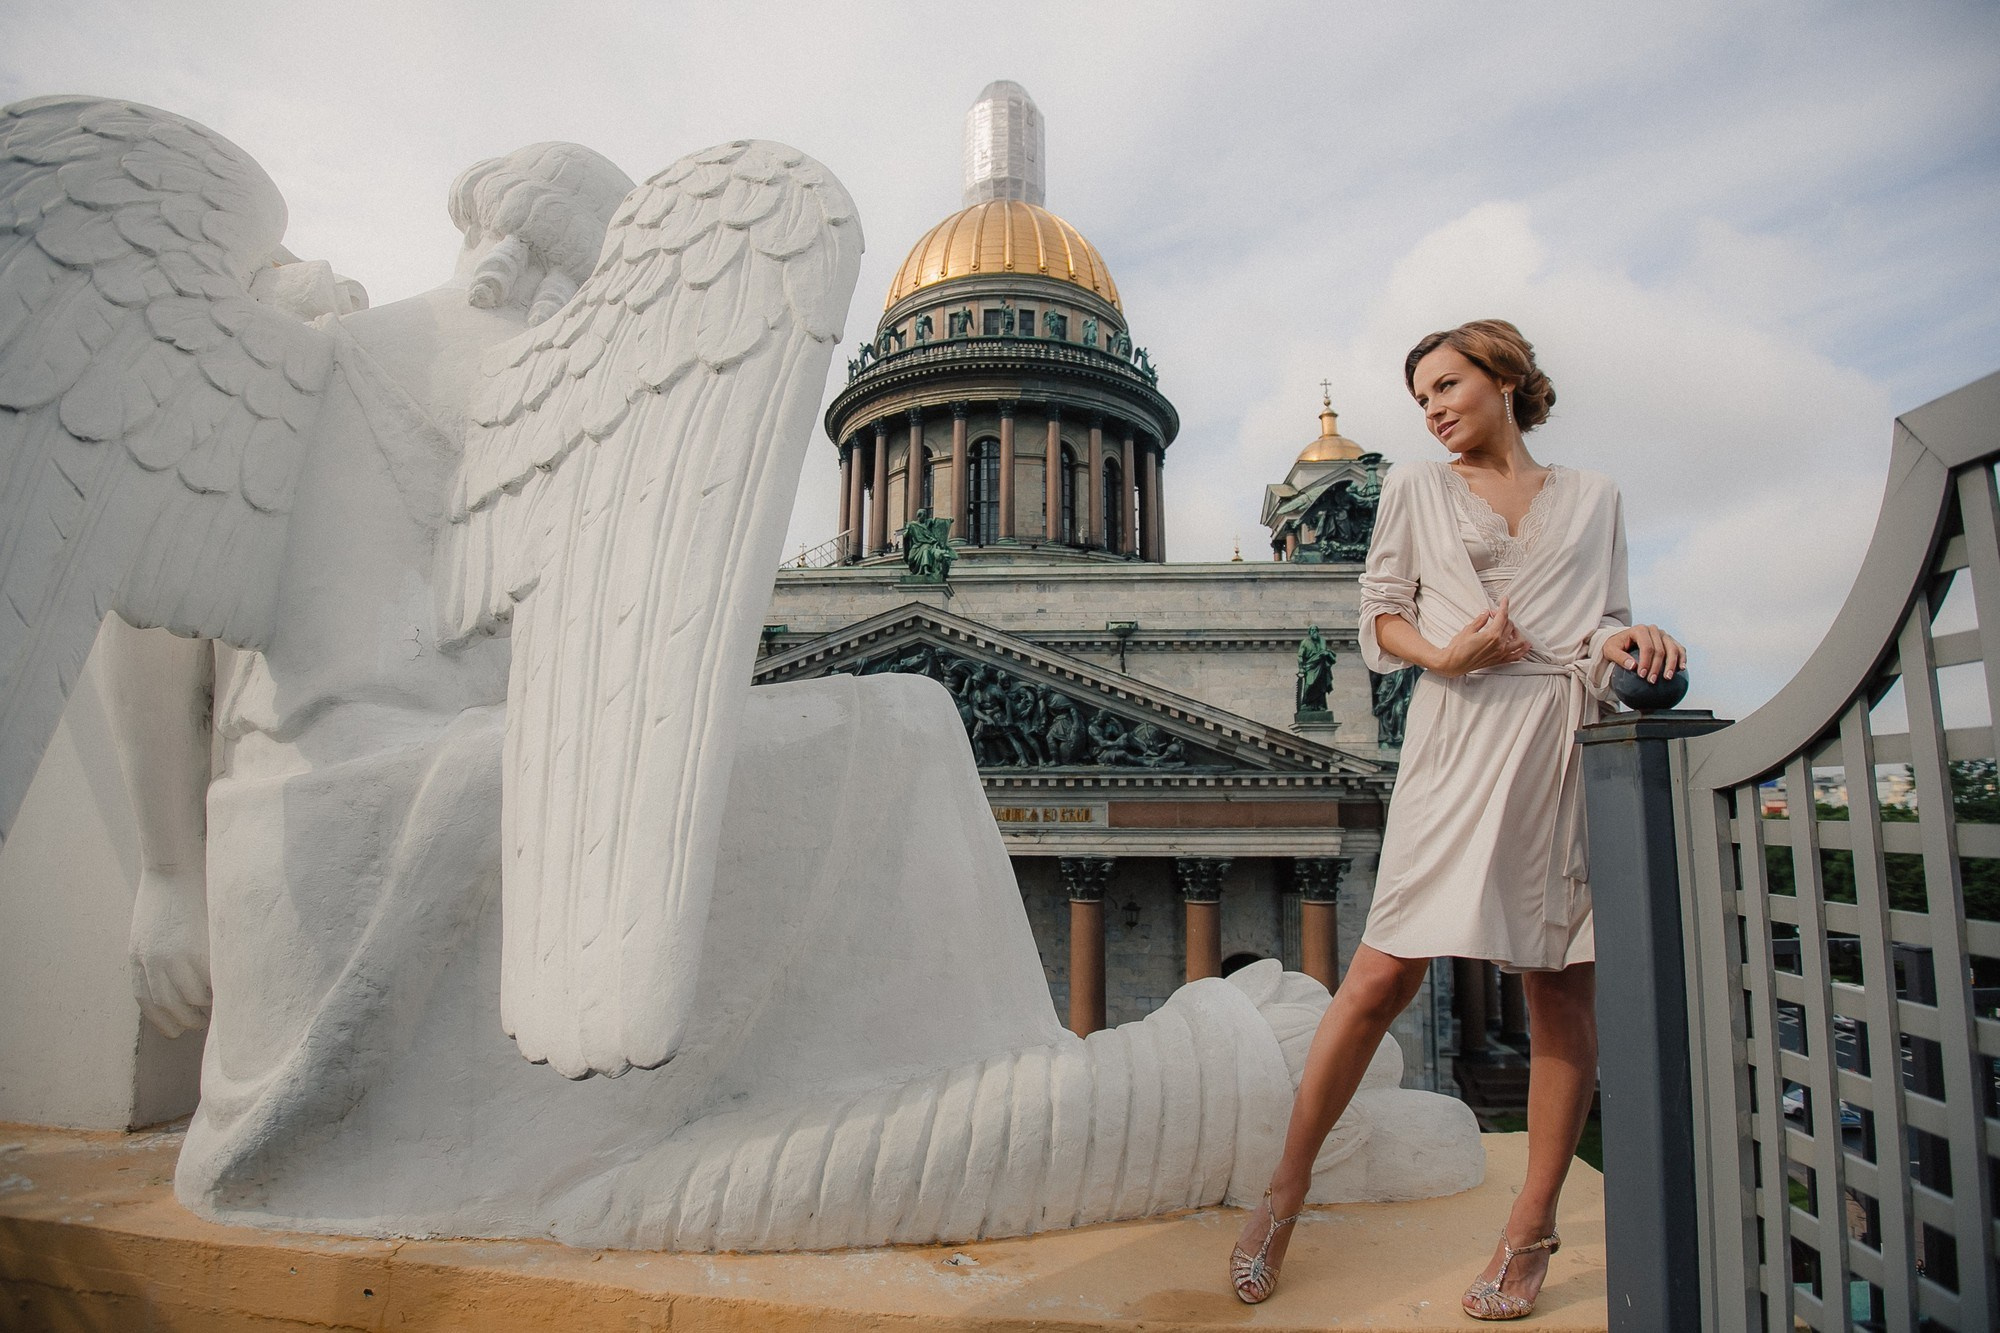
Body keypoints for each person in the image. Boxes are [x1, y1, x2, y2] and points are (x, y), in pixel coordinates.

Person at [1227, 320, 1684, 1320]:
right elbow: (1378, 613)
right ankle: (1282, 1193)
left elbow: (1599, 617)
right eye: (1420, 395)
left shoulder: (1595, 496)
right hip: (1456, 735)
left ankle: (1527, 1233)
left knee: (1560, 995)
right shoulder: (1412, 489)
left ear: (1504, 379)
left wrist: (1630, 635)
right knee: (1377, 977)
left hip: (1560, 741)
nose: (1431, 407)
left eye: (1445, 384)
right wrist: (1444, 658)